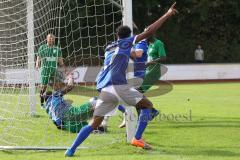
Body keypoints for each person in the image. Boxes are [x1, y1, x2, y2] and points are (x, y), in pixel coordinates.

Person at [65, 2, 178, 157]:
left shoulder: (109, 47)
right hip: (118, 86)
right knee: (148, 106)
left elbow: (127, 54)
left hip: (104, 90)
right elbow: (150, 31)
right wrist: (167, 14)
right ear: (128, 37)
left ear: (116, 36)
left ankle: (71, 149)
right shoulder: (127, 42)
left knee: (94, 124)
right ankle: (137, 138)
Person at [36, 34, 66, 108]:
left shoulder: (57, 49)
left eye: (52, 39)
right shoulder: (42, 47)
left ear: (54, 40)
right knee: (43, 87)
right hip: (45, 70)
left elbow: (60, 60)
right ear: (47, 39)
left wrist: (64, 67)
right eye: (50, 38)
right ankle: (42, 103)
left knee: (58, 86)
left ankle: (59, 101)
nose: (51, 40)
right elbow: (39, 57)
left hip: (53, 70)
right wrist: (37, 64)